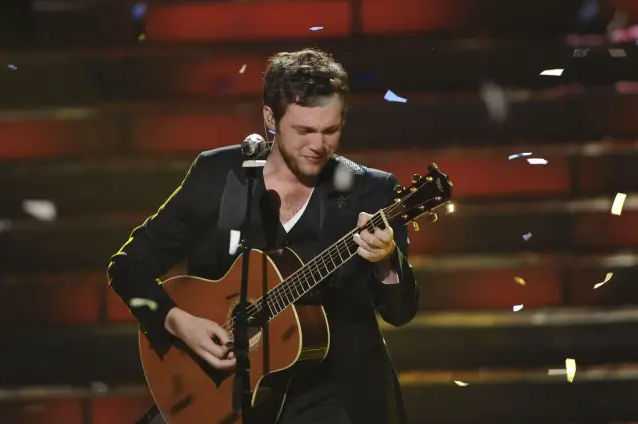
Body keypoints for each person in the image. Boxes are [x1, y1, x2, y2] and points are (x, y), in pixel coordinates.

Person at [107, 48, 419, 424]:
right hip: (222, 389)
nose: (318, 145)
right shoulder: (219, 175)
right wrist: (178, 322)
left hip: (334, 396)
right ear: (270, 118)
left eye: (330, 130)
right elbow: (129, 267)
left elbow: (400, 312)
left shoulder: (370, 191)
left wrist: (385, 261)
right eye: (303, 131)